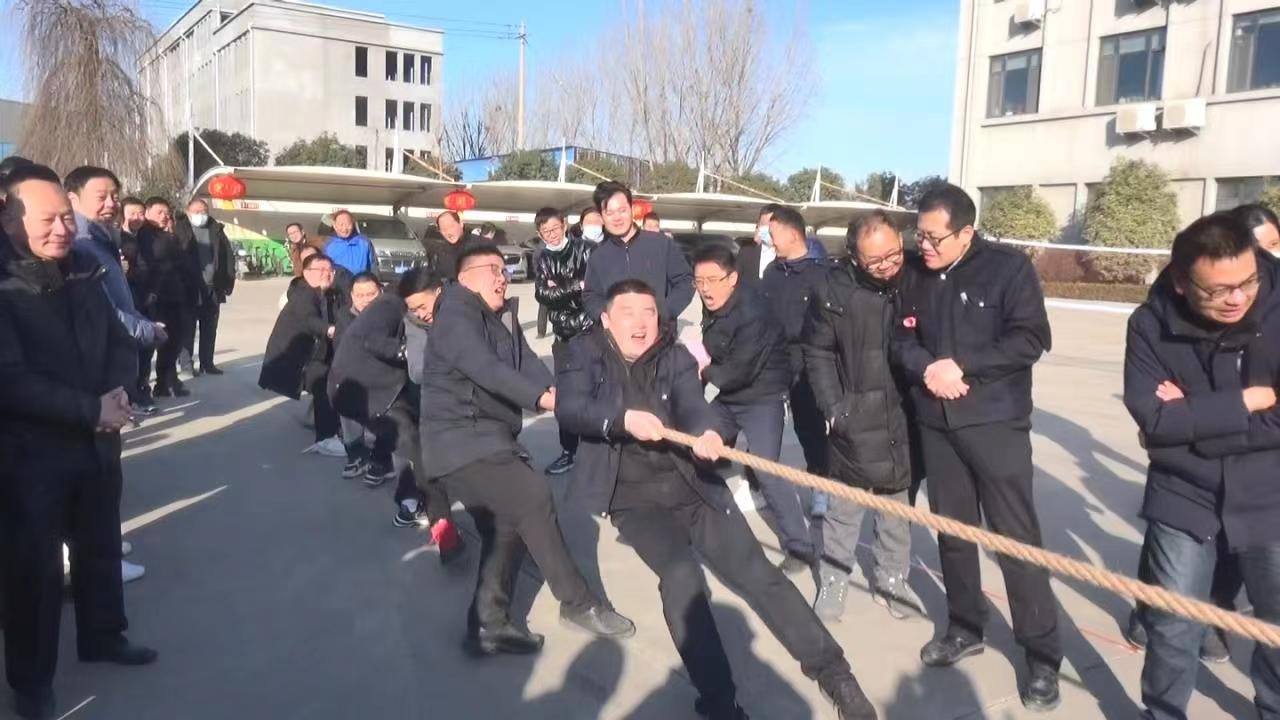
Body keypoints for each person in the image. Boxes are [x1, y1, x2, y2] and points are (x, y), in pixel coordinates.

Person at [556, 279, 877, 720]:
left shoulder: (675, 356)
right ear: (607, 320)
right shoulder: (582, 354)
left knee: (758, 573)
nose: (641, 323)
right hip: (635, 501)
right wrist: (622, 419)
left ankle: (836, 676)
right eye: (628, 313)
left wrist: (707, 431)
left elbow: (694, 406)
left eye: (649, 313)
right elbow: (571, 408)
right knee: (681, 577)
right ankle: (720, 702)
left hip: (694, 487)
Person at [892, 183, 1060, 710]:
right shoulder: (914, 274)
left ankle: (1042, 654)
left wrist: (961, 367)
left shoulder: (1008, 269)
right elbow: (901, 339)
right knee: (953, 533)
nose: (924, 246)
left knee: (1015, 540)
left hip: (995, 423)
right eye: (919, 235)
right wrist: (928, 369)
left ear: (966, 233)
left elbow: (1031, 338)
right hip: (936, 424)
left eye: (934, 237)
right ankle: (965, 626)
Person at [421, 244, 634, 656]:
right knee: (532, 497)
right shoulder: (456, 313)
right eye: (493, 269)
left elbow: (527, 364)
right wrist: (544, 399)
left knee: (506, 527)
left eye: (505, 270)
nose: (503, 277)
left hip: (485, 437)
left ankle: (488, 625)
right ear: (465, 278)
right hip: (461, 440)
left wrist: (565, 394)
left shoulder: (497, 315)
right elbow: (488, 370)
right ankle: (578, 603)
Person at [0, 164, 158, 720]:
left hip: (97, 440)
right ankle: (31, 683)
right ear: (10, 219)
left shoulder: (86, 266)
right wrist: (91, 410)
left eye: (67, 217)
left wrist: (119, 393)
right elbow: (10, 380)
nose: (62, 229)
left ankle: (103, 635)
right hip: (29, 453)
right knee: (35, 573)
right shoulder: (6, 286)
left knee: (100, 545)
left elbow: (118, 338)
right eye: (47, 220)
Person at [1122, 212, 1280, 720]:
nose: (1237, 298)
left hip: (1271, 492)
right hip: (1183, 492)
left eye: (1248, 282)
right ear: (1180, 280)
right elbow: (1154, 421)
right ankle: (1162, 712)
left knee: (1276, 621)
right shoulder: (1150, 325)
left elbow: (1172, 425)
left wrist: (1192, 415)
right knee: (1173, 623)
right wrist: (1247, 401)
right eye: (1218, 290)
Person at [804, 211, 924, 622]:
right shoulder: (831, 290)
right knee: (843, 511)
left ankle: (892, 579)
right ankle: (834, 579)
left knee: (897, 510)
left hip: (904, 416)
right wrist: (834, 408)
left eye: (893, 254)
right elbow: (817, 351)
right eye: (875, 261)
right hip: (854, 415)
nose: (888, 266)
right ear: (854, 257)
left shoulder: (916, 278)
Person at [329, 269, 462, 553]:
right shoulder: (389, 305)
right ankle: (436, 519)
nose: (422, 312)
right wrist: (409, 352)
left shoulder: (397, 306)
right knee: (415, 448)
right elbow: (374, 342)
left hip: (381, 388)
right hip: (365, 393)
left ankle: (408, 499)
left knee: (409, 443)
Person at [690, 244, 800, 568]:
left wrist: (703, 370)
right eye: (699, 281)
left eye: (713, 280)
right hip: (729, 395)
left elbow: (736, 372)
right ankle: (709, 519)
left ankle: (800, 546)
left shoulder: (753, 312)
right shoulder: (714, 302)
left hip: (762, 396)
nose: (705, 289)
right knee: (696, 446)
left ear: (732, 278)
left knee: (766, 469)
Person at [758, 206, 828, 570]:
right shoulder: (772, 272)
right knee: (765, 438)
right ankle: (763, 486)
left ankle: (821, 487)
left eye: (772, 233)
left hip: (808, 366)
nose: (769, 239)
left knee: (809, 430)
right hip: (774, 364)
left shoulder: (822, 274)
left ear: (791, 233)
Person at [259, 253, 349, 456]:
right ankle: (325, 439)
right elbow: (310, 320)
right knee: (323, 382)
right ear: (307, 273)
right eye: (321, 270)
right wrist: (330, 330)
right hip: (298, 358)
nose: (327, 274)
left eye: (330, 270)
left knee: (333, 382)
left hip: (316, 353)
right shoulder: (303, 294)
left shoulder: (330, 293)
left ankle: (336, 430)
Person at [532, 207, 595, 476]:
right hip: (563, 334)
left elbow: (593, 288)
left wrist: (559, 288)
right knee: (566, 395)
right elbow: (542, 295)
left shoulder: (586, 249)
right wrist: (575, 286)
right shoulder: (542, 257)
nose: (552, 235)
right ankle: (568, 451)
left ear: (565, 225)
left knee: (594, 390)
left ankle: (595, 450)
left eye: (555, 228)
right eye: (545, 231)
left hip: (591, 330)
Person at [582, 181, 693, 322]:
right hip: (618, 331)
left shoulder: (662, 244)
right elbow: (590, 295)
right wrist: (602, 313)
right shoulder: (598, 256)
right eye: (609, 213)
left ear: (632, 209)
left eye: (622, 210)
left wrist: (664, 312)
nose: (617, 218)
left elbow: (685, 281)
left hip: (658, 330)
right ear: (602, 217)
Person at [138, 197, 197, 398]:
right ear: (147, 212)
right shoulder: (145, 236)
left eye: (167, 213)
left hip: (175, 296)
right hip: (155, 298)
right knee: (150, 346)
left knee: (173, 342)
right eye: (159, 212)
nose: (164, 216)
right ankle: (142, 387)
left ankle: (166, 382)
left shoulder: (167, 236)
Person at [332, 272, 389, 481]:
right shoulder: (344, 316)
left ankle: (382, 459)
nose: (366, 300)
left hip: (386, 377)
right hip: (356, 375)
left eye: (371, 294)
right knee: (346, 398)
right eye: (360, 295)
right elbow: (340, 349)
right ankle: (357, 455)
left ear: (380, 292)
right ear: (352, 296)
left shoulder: (392, 313)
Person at [174, 198, 235, 376]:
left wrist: (228, 282)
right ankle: (186, 364)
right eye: (197, 211)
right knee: (187, 328)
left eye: (204, 211)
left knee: (209, 328)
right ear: (187, 212)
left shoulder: (216, 229)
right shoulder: (179, 229)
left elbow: (228, 256)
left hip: (212, 288)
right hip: (188, 288)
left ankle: (207, 363)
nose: (201, 215)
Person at [736, 204, 782, 291]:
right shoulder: (746, 253)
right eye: (763, 225)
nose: (766, 229)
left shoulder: (788, 255)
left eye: (770, 225)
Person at [324, 209, 377, 280]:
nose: (345, 229)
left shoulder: (364, 242)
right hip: (337, 284)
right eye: (341, 225)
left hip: (360, 283)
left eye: (348, 225)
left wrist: (375, 282)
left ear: (353, 225)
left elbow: (373, 266)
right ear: (335, 226)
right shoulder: (328, 244)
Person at [425, 210, 470, 279]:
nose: (448, 232)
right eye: (443, 229)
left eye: (451, 226)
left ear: (461, 224)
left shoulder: (478, 247)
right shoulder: (439, 253)